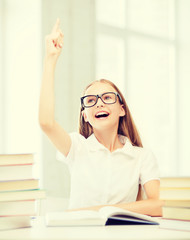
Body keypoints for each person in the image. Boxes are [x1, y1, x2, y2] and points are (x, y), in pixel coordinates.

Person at [39, 19, 164, 217]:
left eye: (107, 97)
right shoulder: (76, 147)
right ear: (85, 116)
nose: (99, 103)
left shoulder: (142, 157)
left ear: (122, 109)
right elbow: (46, 122)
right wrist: (50, 59)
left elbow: (156, 206)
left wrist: (97, 211)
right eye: (90, 100)